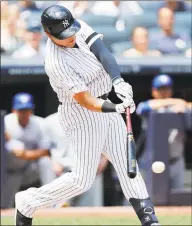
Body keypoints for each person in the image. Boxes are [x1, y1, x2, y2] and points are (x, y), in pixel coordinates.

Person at [15, 5, 160, 226]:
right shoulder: (55, 63)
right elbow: (86, 101)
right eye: (64, 36)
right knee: (82, 180)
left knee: (127, 168)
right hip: (81, 113)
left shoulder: (77, 26)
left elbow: (103, 52)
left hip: (105, 102)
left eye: (71, 30)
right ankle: (28, 200)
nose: (71, 36)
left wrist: (118, 81)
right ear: (48, 34)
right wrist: (117, 107)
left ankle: (150, 221)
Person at [136, 74, 192, 188]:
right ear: (154, 91)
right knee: (147, 197)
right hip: (151, 161)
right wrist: (177, 101)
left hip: (175, 161)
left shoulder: (179, 107)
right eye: (161, 89)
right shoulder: (149, 106)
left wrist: (185, 106)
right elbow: (141, 108)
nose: (164, 92)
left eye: (167, 88)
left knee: (177, 199)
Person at [44, 112, 108, 207]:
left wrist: (104, 159)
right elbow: (44, 148)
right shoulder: (50, 121)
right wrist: (52, 161)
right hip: (61, 168)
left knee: (90, 210)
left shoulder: (95, 118)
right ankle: (57, 205)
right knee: (46, 165)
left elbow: (105, 142)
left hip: (88, 169)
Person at [4, 93, 56, 208]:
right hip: (11, 169)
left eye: (27, 109)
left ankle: (52, 204)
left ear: (32, 110)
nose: (24, 113)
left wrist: (26, 155)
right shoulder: (5, 123)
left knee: (46, 162)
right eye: (21, 110)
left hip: (32, 168)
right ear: (14, 110)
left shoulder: (40, 123)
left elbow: (46, 151)